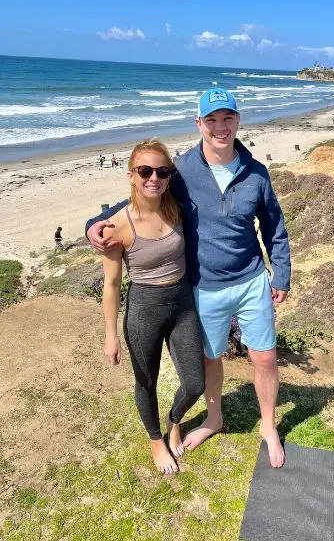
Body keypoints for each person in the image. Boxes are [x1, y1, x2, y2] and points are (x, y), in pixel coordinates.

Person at [86, 88, 291, 468]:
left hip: (250, 280)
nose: (220, 127)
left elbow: (274, 226)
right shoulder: (181, 172)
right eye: (211, 119)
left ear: (237, 121)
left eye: (227, 118)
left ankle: (268, 425)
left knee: (264, 356)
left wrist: (282, 273)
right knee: (211, 360)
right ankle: (214, 419)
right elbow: (142, 196)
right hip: (205, 286)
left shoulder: (256, 173)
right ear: (199, 124)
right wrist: (92, 226)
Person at [100, 139, 205, 475]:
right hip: (144, 308)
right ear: (131, 175)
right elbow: (112, 285)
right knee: (146, 381)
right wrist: (110, 336)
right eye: (145, 171)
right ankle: (155, 439)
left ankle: (175, 421)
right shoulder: (116, 226)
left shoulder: (174, 206)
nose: (153, 178)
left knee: (195, 383)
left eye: (162, 171)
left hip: (183, 303)